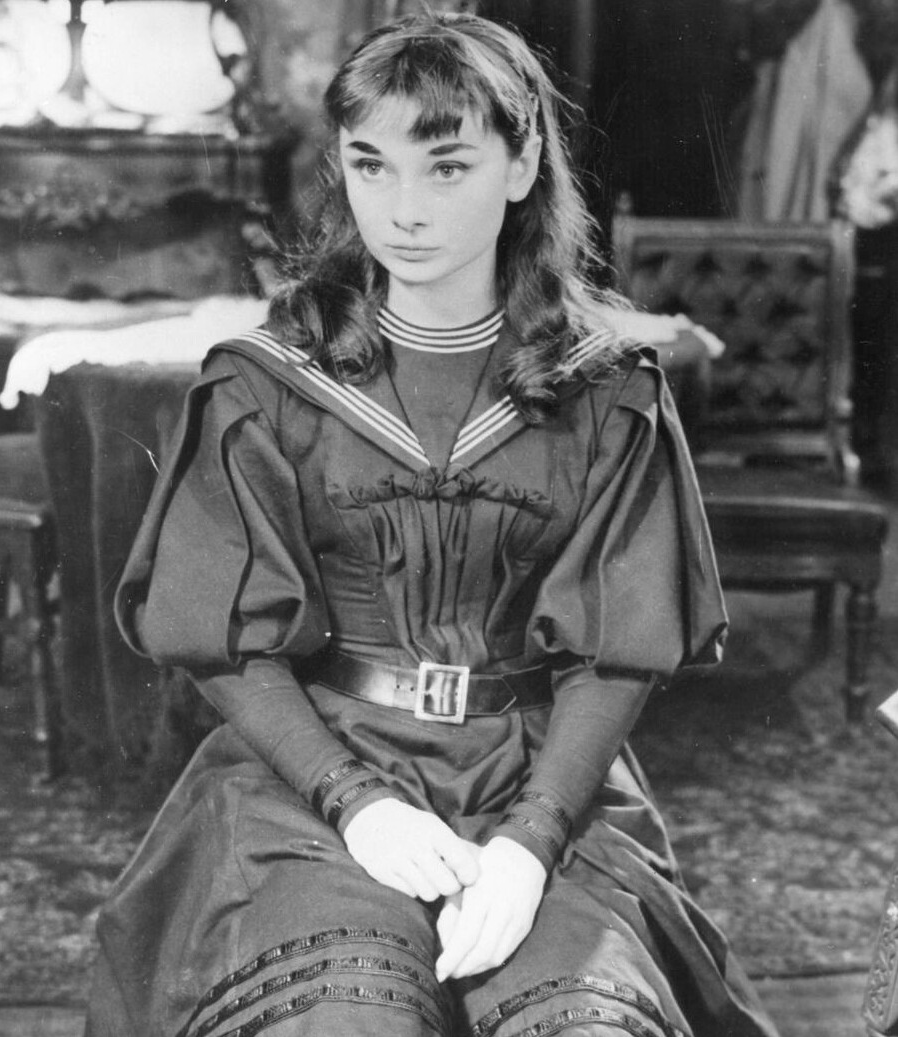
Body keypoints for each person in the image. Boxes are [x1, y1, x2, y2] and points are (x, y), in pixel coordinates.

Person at [86, 12, 780, 1037]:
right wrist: (353, 800)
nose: (402, 209)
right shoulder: (267, 384)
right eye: (371, 164)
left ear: (521, 165)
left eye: (445, 166)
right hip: (312, 772)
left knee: (581, 1023)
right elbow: (221, 637)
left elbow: (616, 650)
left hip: (537, 774)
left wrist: (531, 842)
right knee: (344, 1017)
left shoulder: (607, 393)